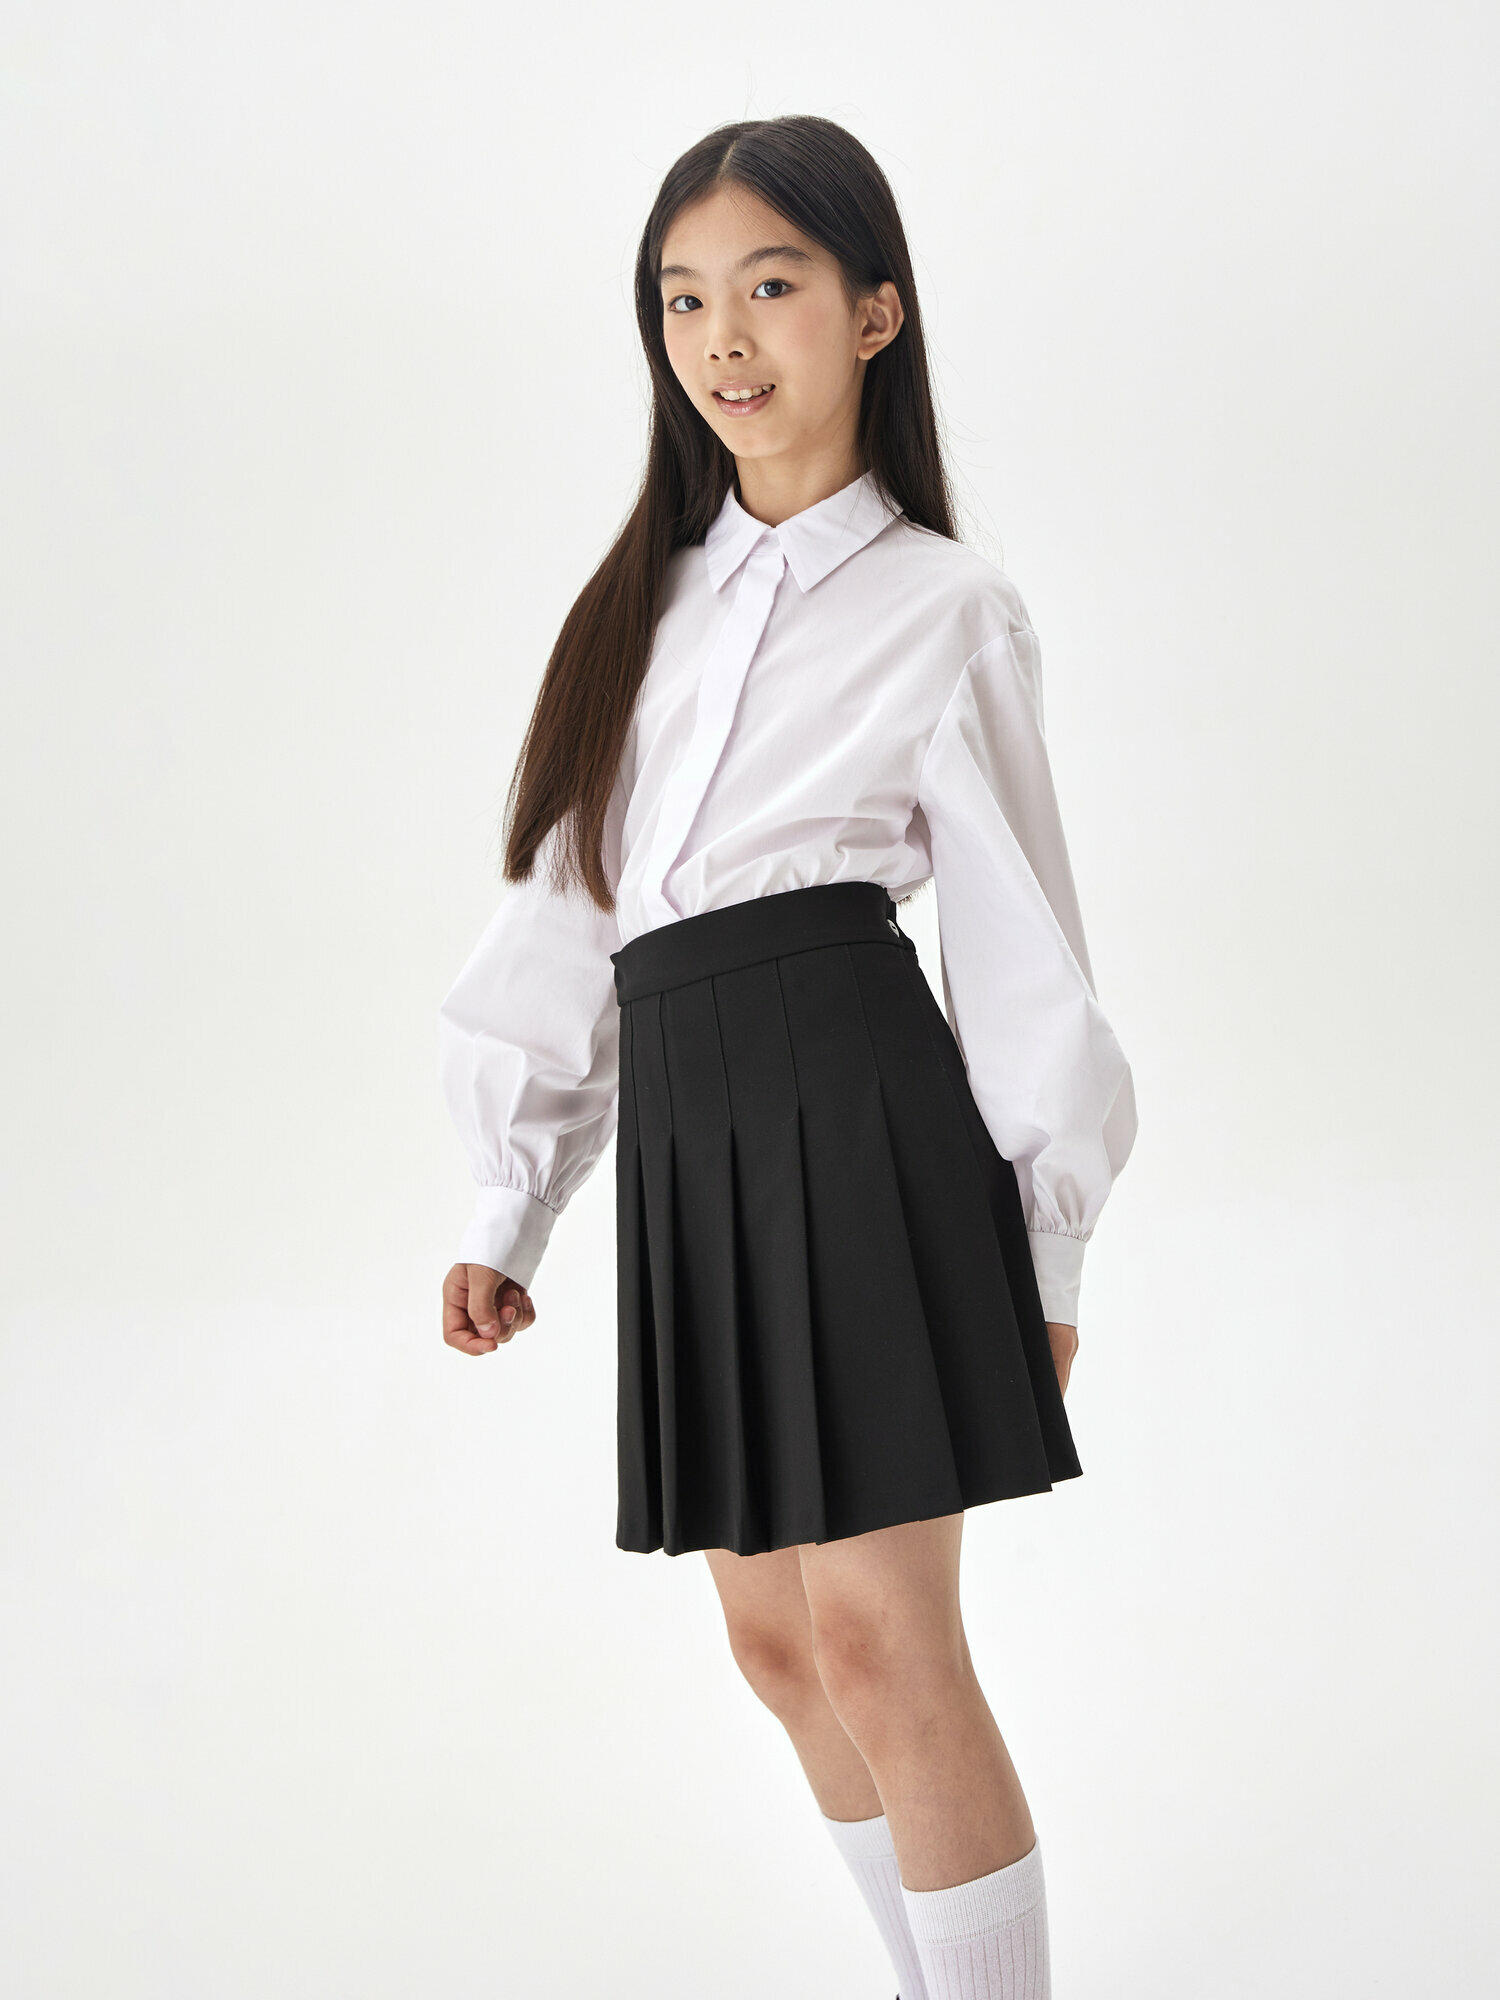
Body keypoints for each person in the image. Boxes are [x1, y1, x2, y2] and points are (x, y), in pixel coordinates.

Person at [437, 113, 1137, 2000]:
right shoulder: (636, 611)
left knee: (886, 1641)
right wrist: (512, 1200)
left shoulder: (947, 607)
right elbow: (569, 913)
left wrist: (1051, 1244)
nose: (723, 338)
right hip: (690, 1132)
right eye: (683, 300)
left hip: (854, 1112)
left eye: (771, 285)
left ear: (876, 313)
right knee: (774, 1647)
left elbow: (1022, 946)